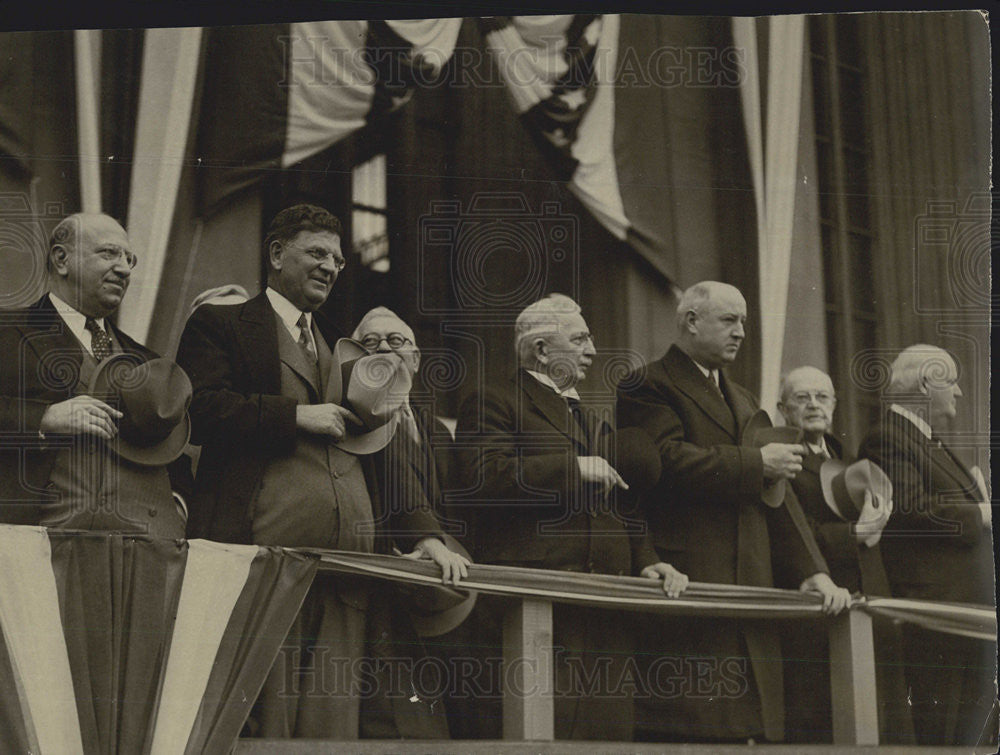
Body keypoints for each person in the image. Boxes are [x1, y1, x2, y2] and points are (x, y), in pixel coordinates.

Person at [176, 204, 468, 740]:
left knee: (331, 725)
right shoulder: (221, 324)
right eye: (316, 253)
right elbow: (201, 411)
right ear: (276, 254)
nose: (331, 266)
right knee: (262, 722)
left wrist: (425, 535)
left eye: (337, 258)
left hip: (347, 571)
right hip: (263, 562)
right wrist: (296, 415)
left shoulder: (342, 343)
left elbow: (380, 453)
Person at [616, 281, 850, 743]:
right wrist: (756, 463)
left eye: (743, 321)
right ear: (690, 322)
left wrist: (812, 571)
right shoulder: (648, 385)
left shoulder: (741, 398)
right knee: (697, 726)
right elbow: (661, 461)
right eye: (729, 320)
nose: (741, 332)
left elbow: (774, 498)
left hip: (752, 575)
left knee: (752, 727)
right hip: (691, 573)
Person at [454, 293, 688, 741]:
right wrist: (575, 468)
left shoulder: (589, 418)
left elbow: (619, 503)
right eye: (579, 339)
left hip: (603, 610)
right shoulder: (494, 400)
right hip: (539, 610)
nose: (593, 350)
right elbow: (484, 481)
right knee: (543, 737)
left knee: (607, 741)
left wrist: (646, 559)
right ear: (542, 351)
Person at [0, 212, 188, 537]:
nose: (125, 268)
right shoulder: (7, 333)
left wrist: (177, 508)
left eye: (130, 259)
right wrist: (42, 418)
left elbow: (174, 455)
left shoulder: (146, 360)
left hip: (141, 551)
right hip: (35, 544)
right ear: (62, 259)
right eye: (109, 253)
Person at [857, 344, 996, 746]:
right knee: (940, 732)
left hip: (963, 612)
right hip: (936, 614)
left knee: (965, 734)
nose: (958, 393)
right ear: (923, 384)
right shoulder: (887, 437)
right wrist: (982, 513)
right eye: (950, 381)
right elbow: (912, 509)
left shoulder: (926, 440)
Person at [776, 366, 912, 744]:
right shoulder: (783, 460)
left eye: (822, 397)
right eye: (802, 398)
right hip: (822, 609)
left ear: (834, 404)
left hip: (869, 599)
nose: (814, 405)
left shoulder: (844, 456)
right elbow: (792, 531)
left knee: (883, 721)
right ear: (783, 408)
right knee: (829, 723)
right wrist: (858, 532)